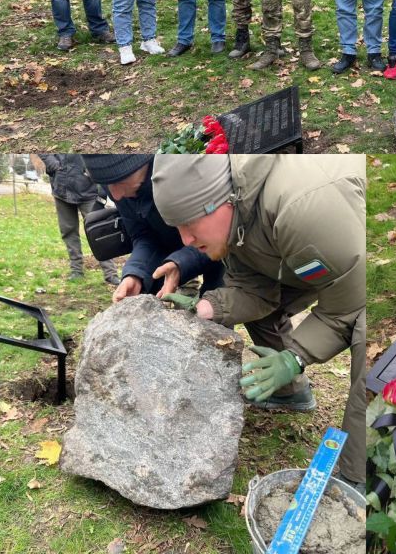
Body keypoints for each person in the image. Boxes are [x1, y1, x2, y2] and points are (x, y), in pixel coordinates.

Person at [151, 154, 366, 490]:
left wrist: (295, 357)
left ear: (220, 203)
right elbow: (256, 290)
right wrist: (205, 307)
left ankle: (359, 479)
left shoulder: (302, 208)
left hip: (364, 266)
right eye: (177, 228)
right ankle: (290, 395)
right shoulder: (237, 213)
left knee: (368, 341)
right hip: (312, 259)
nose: (186, 241)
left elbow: (349, 307)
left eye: (190, 225)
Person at [81, 154, 224, 303]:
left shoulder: (189, 167)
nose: (116, 196)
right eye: (106, 185)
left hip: (226, 252)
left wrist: (181, 263)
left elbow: (220, 231)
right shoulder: (116, 182)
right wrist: (135, 273)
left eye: (120, 181)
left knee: (219, 306)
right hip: (174, 255)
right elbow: (143, 235)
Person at [40, 154, 119, 285]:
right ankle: (76, 270)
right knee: (68, 231)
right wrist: (50, 161)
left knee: (99, 231)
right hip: (61, 187)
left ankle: (111, 274)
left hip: (88, 190)